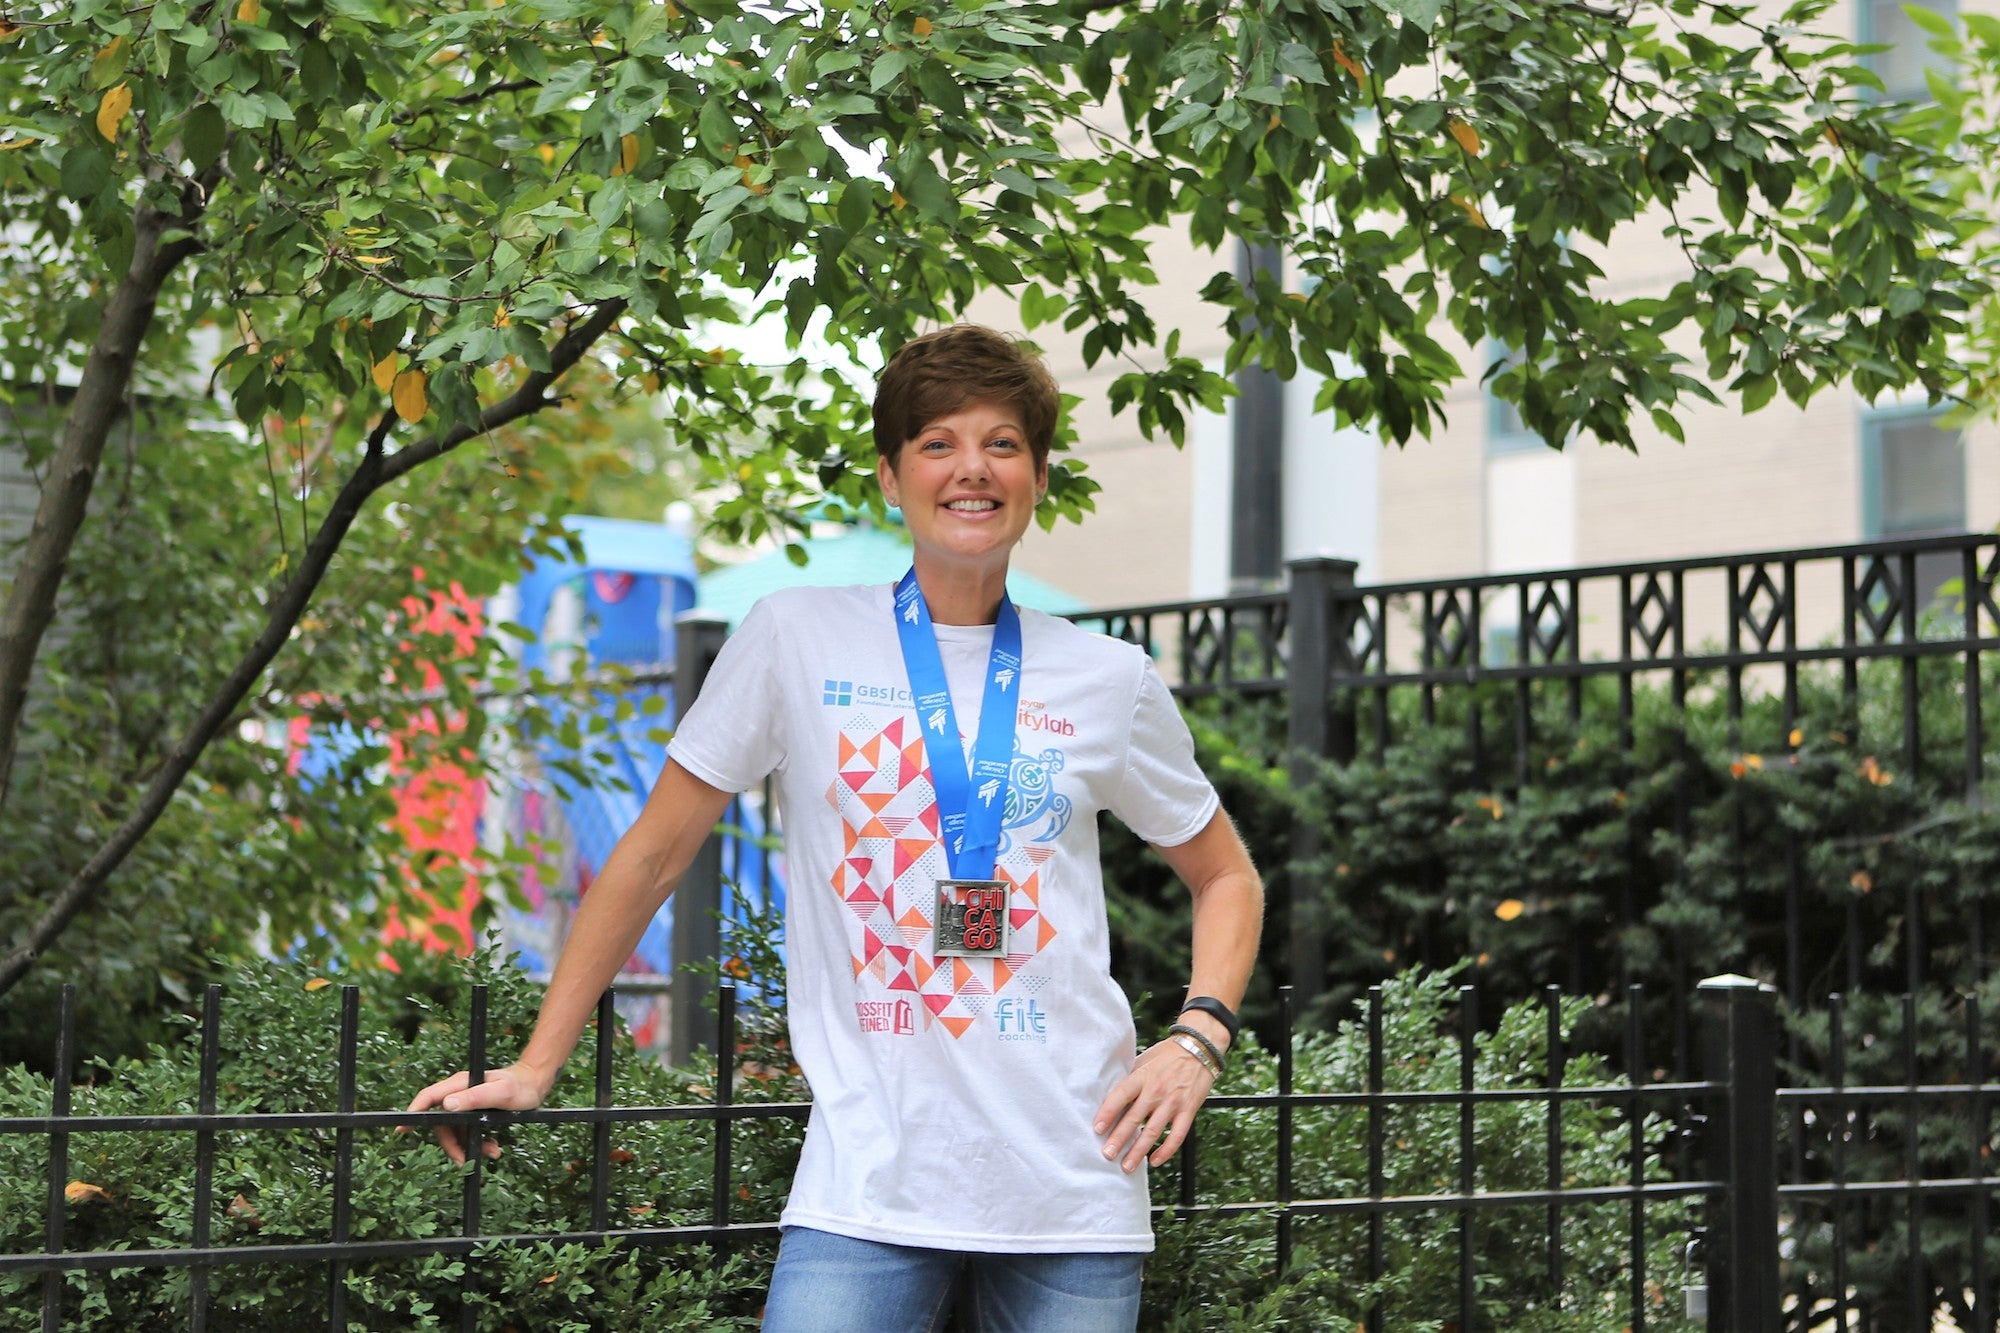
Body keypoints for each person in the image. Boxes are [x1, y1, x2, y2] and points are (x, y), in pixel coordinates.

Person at [408, 324, 1264, 1331]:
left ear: (1037, 477)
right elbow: (652, 855)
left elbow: (1227, 875)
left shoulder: (1108, 677)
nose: (972, 468)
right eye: (938, 443)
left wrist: (1198, 1036)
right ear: (891, 477)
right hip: (866, 1182)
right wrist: (535, 1063)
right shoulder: (795, 636)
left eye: (1001, 443)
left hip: (1076, 1177)